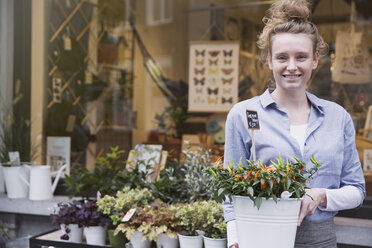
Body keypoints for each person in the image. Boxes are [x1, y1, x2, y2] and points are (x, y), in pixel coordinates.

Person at [223, 0, 366, 247]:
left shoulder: (337, 117)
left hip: (321, 240)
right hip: (261, 238)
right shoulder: (242, 114)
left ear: (315, 60)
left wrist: (322, 196)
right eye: (282, 57)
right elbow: (230, 191)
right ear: (269, 60)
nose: (291, 66)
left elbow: (356, 190)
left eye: (301, 57)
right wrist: (236, 238)